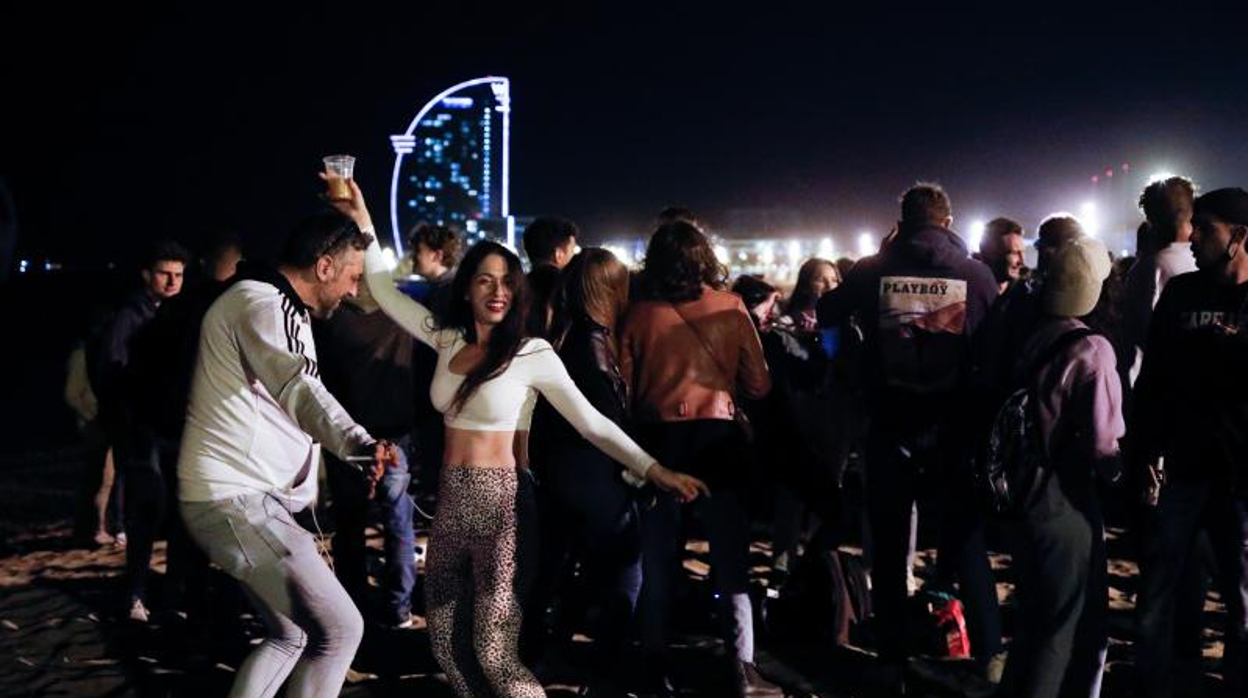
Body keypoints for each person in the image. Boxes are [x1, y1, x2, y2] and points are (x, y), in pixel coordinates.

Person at [343, 180, 706, 698]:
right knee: (447, 641)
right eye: (485, 280)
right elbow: (380, 288)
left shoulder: (532, 352)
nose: (497, 291)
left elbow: (592, 423)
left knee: (494, 649)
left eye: (506, 282)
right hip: (451, 500)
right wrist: (362, 216)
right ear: (467, 288)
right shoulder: (447, 340)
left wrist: (655, 470)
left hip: (503, 502)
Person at [178, 209, 387, 698]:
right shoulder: (267, 305)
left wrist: (361, 219)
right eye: (351, 278)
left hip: (231, 499)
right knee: (340, 631)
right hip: (235, 501)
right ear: (324, 267)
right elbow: (300, 387)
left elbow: (381, 301)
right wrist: (359, 445)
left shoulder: (264, 301)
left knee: (290, 634)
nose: (355, 291)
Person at [818, 183, 1004, 684]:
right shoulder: (974, 273)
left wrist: (852, 365)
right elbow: (992, 347)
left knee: (892, 542)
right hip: (952, 426)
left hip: (889, 422)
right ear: (948, 222)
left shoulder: (874, 270)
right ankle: (989, 651)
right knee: (964, 540)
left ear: (901, 222)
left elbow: (827, 316)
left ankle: (893, 660)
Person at [621, 221, 782, 697]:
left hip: (658, 444)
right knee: (731, 557)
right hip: (718, 441)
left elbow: (624, 392)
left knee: (658, 560)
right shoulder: (731, 310)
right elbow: (759, 385)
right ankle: (742, 667)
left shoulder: (637, 316)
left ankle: (654, 661)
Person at [1132, 187, 1248, 698]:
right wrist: (1142, 452)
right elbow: (1152, 378)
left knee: (1241, 602)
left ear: (1239, 237)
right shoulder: (1181, 294)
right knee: (1157, 591)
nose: (1193, 237)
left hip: (1241, 476)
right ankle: (1158, 683)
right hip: (1181, 468)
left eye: (1207, 228)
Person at [999, 236, 1123, 698]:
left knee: (1035, 622)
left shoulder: (1032, 336)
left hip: (1020, 491)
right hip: (1065, 499)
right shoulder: (1092, 349)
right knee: (1064, 629)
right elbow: (1104, 443)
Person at [524, 248, 646, 686]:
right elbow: (608, 424)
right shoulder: (593, 347)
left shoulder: (558, 334)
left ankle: (542, 653)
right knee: (623, 572)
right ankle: (605, 668)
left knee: (558, 569)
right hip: (594, 475)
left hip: (559, 473)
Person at [89, 239, 189, 621]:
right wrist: (128, 417)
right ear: (147, 274)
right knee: (147, 510)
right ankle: (135, 594)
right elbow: (110, 373)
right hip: (143, 429)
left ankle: (168, 592)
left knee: (177, 512)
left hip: (170, 427)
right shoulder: (129, 317)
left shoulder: (176, 313)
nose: (172, 281)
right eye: (165, 273)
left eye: (178, 274)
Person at [313, 271, 419, 630]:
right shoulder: (402, 313)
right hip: (396, 434)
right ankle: (398, 608)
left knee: (349, 524)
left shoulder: (331, 321)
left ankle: (352, 605)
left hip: (348, 436)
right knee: (399, 524)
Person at [1124, 177, 1198, 385]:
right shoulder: (1213, 260)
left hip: (1164, 385)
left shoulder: (1148, 268)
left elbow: (1141, 334)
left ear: (1152, 219)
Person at [522, 216, 579, 337]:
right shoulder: (567, 287)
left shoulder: (517, 286)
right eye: (572, 251)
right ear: (558, 254)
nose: (574, 257)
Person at [976, 217, 1028, 294]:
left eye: (1023, 252)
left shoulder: (1025, 293)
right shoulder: (965, 285)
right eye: (1014, 253)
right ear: (992, 254)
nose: (1022, 261)